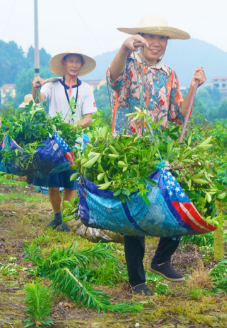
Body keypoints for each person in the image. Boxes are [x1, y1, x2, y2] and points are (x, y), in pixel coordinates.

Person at [106, 15, 207, 296]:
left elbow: (178, 115)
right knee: (134, 217)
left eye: (162, 38)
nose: (156, 42)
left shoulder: (169, 75)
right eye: (151, 36)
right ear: (139, 39)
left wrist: (193, 86)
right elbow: (112, 78)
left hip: (158, 151)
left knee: (176, 198)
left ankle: (162, 259)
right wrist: (124, 49)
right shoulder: (127, 64)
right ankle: (137, 280)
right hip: (127, 152)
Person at [31, 48, 98, 231]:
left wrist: (68, 128)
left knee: (70, 184)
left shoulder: (85, 89)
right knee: (53, 184)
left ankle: (67, 221)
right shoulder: (52, 85)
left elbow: (88, 119)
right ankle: (57, 217)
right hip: (53, 144)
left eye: (78, 62)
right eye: (71, 61)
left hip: (73, 144)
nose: (74, 65)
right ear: (64, 63)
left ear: (81, 65)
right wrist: (35, 87)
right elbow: (38, 100)